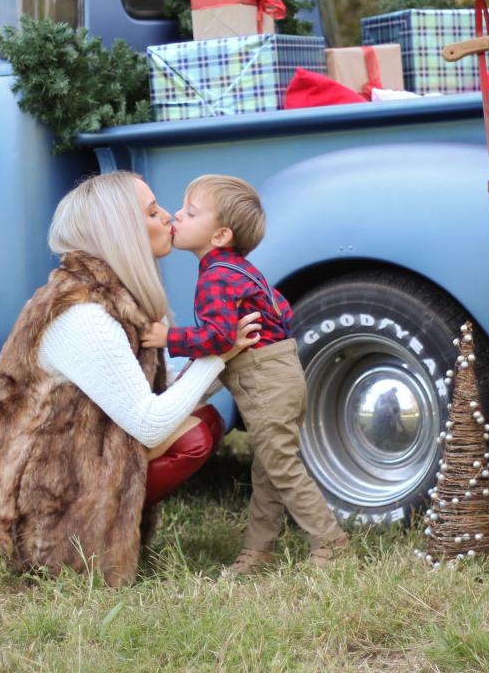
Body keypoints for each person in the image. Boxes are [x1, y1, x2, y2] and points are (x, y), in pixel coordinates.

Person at [0, 171, 261, 587]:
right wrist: (217, 355)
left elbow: (169, 392)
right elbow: (149, 421)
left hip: (74, 463)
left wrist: (230, 356)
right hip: (48, 500)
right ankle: (71, 546)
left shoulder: (118, 296)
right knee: (192, 433)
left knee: (201, 418)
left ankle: (106, 530)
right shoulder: (84, 314)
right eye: (152, 211)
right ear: (121, 231)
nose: (168, 217)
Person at [141, 174, 350, 576]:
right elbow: (283, 311)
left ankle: (331, 543)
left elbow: (219, 337)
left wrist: (169, 336)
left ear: (220, 234)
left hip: (265, 380)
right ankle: (258, 552)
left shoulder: (216, 277)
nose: (177, 216)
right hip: (283, 371)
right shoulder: (241, 270)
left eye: (190, 211)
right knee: (268, 469)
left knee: (282, 467)